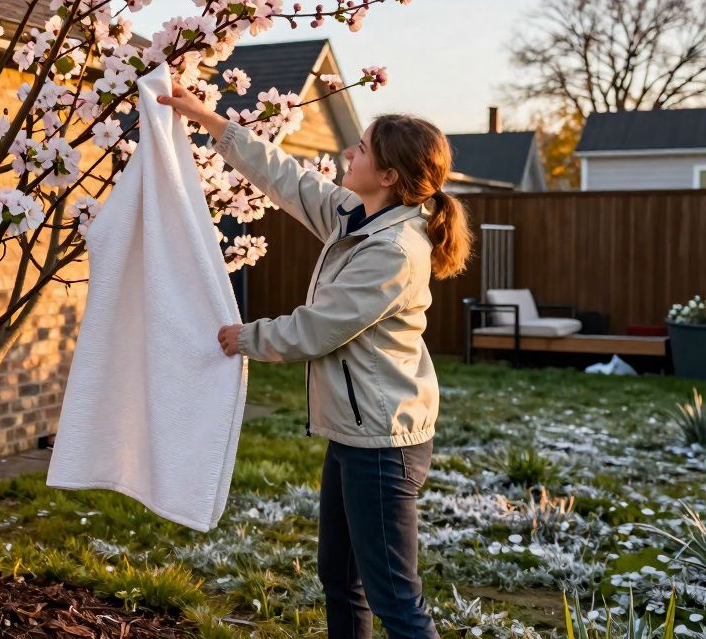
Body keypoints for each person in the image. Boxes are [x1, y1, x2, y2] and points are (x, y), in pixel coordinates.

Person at [157, 85, 472, 639]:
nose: (350, 153)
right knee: (340, 578)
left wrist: (245, 337)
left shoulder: (393, 250)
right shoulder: (357, 217)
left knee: (395, 598)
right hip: (357, 434)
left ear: (390, 176)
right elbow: (286, 179)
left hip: (383, 443)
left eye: (364, 149)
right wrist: (206, 118)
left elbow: (319, 329)